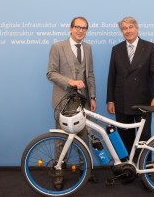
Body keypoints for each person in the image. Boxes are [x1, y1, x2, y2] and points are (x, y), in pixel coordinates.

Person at [47, 16, 97, 189]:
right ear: (70, 28)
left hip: (82, 102)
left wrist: (92, 98)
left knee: (84, 138)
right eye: (77, 27)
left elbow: (89, 74)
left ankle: (86, 171)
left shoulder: (88, 48)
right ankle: (59, 173)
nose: (80, 30)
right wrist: (71, 82)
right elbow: (51, 73)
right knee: (61, 140)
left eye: (84, 28)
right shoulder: (57, 47)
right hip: (63, 101)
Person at [106, 16, 154, 157]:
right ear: (121, 31)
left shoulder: (150, 47)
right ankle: (128, 170)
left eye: (130, 27)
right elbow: (111, 76)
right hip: (121, 101)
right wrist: (110, 100)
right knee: (125, 137)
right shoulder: (116, 49)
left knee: (144, 138)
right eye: (124, 28)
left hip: (143, 101)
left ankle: (145, 170)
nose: (128, 31)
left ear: (137, 28)